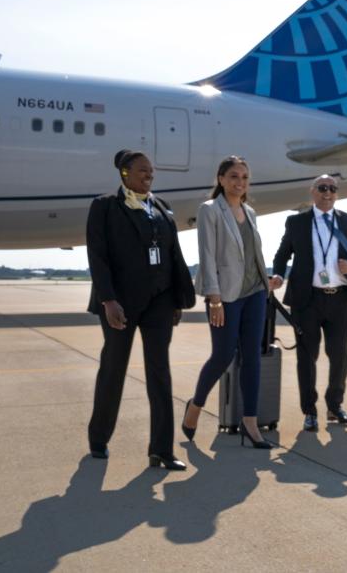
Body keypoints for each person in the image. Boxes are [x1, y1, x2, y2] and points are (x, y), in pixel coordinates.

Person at [86, 149, 195, 471]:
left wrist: (177, 299)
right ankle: (99, 437)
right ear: (124, 173)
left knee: (160, 374)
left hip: (159, 302)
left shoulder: (161, 207)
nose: (149, 175)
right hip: (121, 303)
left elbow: (173, 254)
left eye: (152, 171)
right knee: (113, 369)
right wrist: (108, 300)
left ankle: (161, 449)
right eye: (142, 171)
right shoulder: (105, 206)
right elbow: (98, 256)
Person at [181, 156, 274, 449]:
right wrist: (214, 298)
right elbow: (206, 254)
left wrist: (267, 279)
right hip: (225, 296)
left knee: (252, 357)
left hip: (256, 293)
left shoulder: (251, 212)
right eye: (234, 176)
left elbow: (252, 253)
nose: (240, 182)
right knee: (222, 356)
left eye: (245, 177)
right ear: (221, 179)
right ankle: (195, 405)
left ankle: (250, 421)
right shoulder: (210, 210)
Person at [269, 175, 347, 432]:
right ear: (312, 192)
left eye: (333, 189)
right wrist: (278, 274)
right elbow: (282, 255)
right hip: (307, 300)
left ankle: (335, 406)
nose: (328, 192)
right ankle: (309, 411)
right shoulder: (297, 222)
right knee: (306, 357)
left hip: (339, 299)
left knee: (339, 356)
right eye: (323, 188)